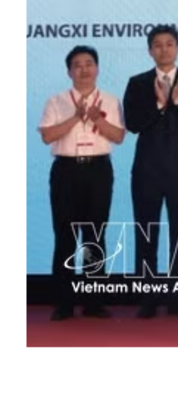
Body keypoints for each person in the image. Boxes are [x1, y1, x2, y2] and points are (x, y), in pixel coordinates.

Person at [123, 24, 178, 318]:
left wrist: (177, 102)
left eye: (169, 44)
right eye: (158, 45)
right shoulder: (137, 83)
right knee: (146, 232)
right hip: (147, 168)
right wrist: (159, 104)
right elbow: (133, 123)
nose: (164, 49)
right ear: (150, 50)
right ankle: (147, 298)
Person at [38, 45, 125, 321]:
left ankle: (93, 302)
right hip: (66, 171)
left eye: (89, 64)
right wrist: (76, 117)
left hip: (98, 170)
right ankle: (63, 303)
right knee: (65, 236)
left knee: (94, 236)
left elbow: (118, 137)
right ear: (69, 71)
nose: (84, 69)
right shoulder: (56, 101)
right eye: (77, 65)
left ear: (97, 68)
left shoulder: (110, 100)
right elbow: (48, 136)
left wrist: (97, 118)